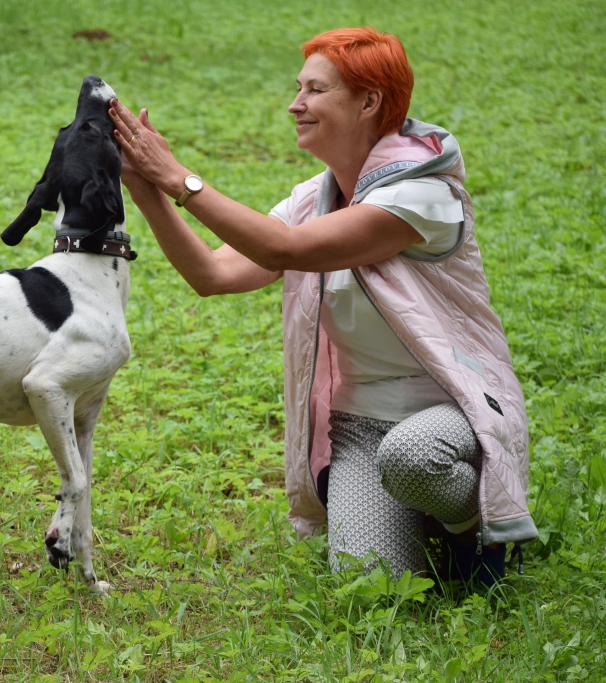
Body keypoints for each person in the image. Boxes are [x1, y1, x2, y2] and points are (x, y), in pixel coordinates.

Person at [107, 27, 537, 585]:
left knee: (412, 456)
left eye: (314, 90)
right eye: (298, 88)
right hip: (360, 427)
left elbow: (281, 248)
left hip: (453, 413)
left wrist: (179, 177)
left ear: (369, 102)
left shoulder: (423, 196)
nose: (295, 104)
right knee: (369, 585)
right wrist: (146, 186)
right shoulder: (314, 199)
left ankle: (472, 524)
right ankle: (417, 516)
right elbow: (213, 275)